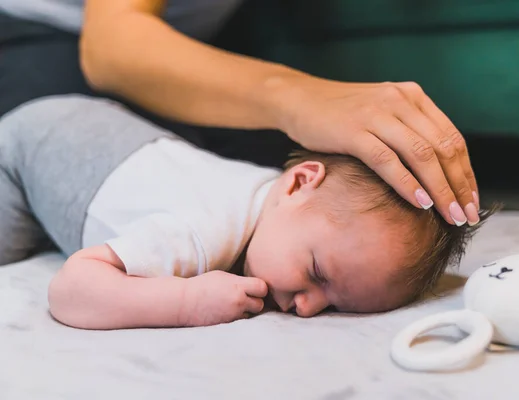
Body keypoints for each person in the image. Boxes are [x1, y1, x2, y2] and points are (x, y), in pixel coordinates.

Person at [0, 95, 491, 330]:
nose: (308, 305)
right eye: (317, 273)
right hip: (26, 154)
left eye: (336, 306)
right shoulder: (201, 229)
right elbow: (70, 291)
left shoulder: (281, 206)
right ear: (299, 182)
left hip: (100, 127)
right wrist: (186, 302)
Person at [0, 0, 481, 229]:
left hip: (192, 33)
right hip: (48, 33)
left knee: (262, 176)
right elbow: (110, 49)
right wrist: (297, 96)